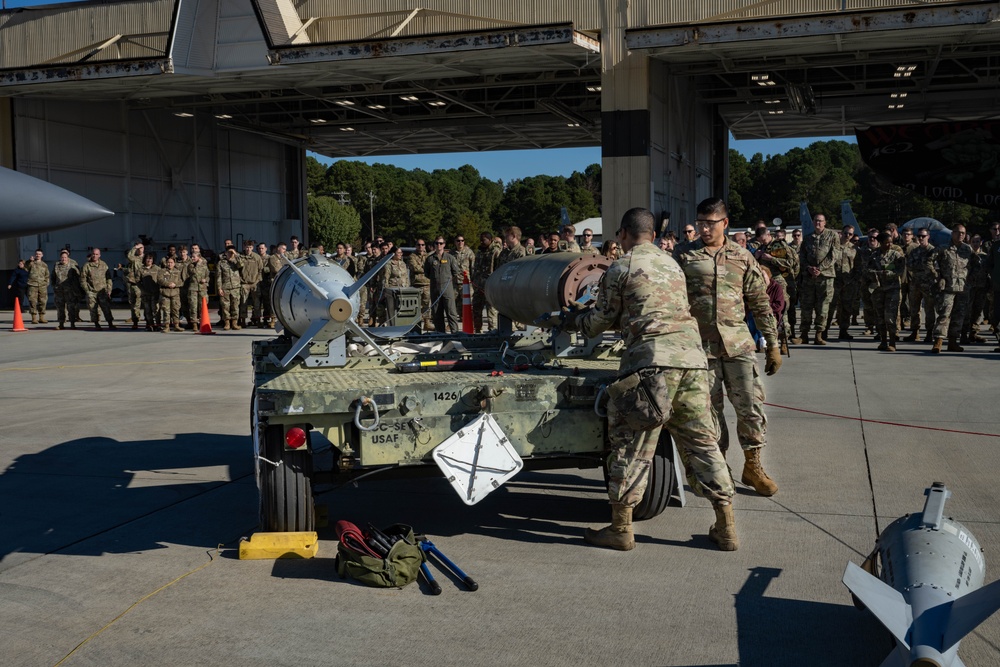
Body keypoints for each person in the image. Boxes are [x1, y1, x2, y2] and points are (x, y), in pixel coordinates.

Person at [569, 207, 737, 552]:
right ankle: (727, 525)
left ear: (624, 234)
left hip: (651, 366)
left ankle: (621, 528)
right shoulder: (672, 263)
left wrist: (574, 323)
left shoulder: (622, 265)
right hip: (692, 361)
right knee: (703, 443)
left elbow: (601, 319)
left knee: (632, 444)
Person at [674, 197, 782, 498]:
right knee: (708, 413)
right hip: (699, 348)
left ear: (725, 223)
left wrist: (772, 343)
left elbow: (760, 302)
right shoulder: (684, 255)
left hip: (737, 346)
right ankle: (719, 469)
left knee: (751, 408)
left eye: (710, 223)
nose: (704, 229)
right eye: (701, 223)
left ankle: (753, 466)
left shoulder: (742, 256)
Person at [929, 224, 975, 353]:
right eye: (958, 232)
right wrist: (937, 276)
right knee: (944, 315)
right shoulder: (943, 248)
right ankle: (938, 341)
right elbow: (928, 261)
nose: (961, 235)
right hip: (948, 288)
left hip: (963, 288)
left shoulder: (967, 249)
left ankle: (953, 342)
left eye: (963, 233)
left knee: (959, 316)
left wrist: (971, 278)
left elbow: (975, 265)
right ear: (952, 233)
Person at [794, 213, 838, 345]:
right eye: (816, 221)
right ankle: (804, 334)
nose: (818, 223)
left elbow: (834, 255)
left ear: (825, 222)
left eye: (820, 221)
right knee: (806, 306)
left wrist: (820, 269)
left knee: (823, 307)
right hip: (809, 278)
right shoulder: (808, 238)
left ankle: (819, 334)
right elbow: (802, 256)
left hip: (825, 277)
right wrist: (809, 268)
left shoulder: (832, 236)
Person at [867, 231, 905, 351]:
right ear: (880, 243)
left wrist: (887, 271)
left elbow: (900, 269)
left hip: (892, 289)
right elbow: (868, 269)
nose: (889, 245)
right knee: (880, 316)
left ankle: (892, 342)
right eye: (886, 243)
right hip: (878, 289)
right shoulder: (874, 255)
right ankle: (883, 341)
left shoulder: (895, 255)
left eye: (890, 242)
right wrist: (878, 273)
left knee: (890, 316)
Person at [904, 229, 937, 342]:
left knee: (929, 309)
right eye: (919, 236)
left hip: (928, 284)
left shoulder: (933, 251)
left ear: (928, 236)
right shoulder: (915, 251)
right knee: (914, 309)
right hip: (916, 283)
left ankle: (929, 333)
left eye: (923, 236)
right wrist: (923, 267)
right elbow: (909, 265)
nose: (921, 238)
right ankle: (915, 332)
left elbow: (935, 268)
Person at [828, 226, 860, 341]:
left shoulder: (855, 249)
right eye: (846, 233)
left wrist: (854, 280)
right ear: (841, 233)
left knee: (846, 308)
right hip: (834, 281)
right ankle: (824, 331)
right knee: (830, 307)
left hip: (848, 283)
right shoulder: (833, 247)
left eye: (850, 234)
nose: (847, 236)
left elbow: (858, 267)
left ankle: (843, 331)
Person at [425, 236, 461, 333]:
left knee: (451, 312)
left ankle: (455, 333)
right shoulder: (430, 259)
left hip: (447, 289)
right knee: (437, 313)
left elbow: (455, 272)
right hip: (435, 289)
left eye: (441, 243)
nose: (438, 245)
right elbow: (427, 273)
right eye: (436, 243)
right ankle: (440, 334)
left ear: (444, 245)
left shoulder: (450, 258)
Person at [471, 232, 502, 333]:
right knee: (476, 308)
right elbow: (475, 268)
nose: (481, 242)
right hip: (478, 286)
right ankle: (478, 329)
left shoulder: (496, 252)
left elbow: (499, 269)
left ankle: (492, 330)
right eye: (480, 240)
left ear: (490, 240)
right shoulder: (479, 252)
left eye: (484, 240)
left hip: (490, 286)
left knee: (491, 310)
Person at [80, 247, 115, 329]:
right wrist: (87, 290)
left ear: (99, 255)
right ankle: (96, 324)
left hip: (102, 291)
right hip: (92, 291)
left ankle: (110, 323)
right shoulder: (87, 266)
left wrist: (109, 289)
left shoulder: (103, 265)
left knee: (106, 308)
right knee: (93, 309)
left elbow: (109, 278)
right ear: (91, 255)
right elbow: (82, 280)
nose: (94, 256)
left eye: (96, 254)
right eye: (93, 254)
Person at [52, 249, 82, 329]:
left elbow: (77, 278)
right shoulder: (56, 266)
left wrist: (76, 290)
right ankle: (61, 324)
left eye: (65, 257)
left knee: (71, 308)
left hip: (69, 291)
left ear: (68, 258)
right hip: (59, 291)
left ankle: (72, 323)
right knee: (60, 308)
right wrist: (54, 286)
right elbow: (53, 277)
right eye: (62, 257)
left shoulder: (72, 266)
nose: (63, 259)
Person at [407, 239, 433, 332]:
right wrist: (426, 269)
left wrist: (425, 268)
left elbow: (432, 266)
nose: (421, 246)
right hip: (416, 284)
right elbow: (414, 267)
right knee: (416, 306)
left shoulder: (428, 256)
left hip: (427, 283)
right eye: (419, 245)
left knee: (426, 304)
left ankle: (426, 323)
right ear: (416, 246)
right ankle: (416, 325)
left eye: (422, 245)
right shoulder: (412, 256)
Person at [216, 245, 244, 330]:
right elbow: (218, 277)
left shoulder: (236, 261)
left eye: (231, 252)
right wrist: (219, 288)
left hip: (235, 287)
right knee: (225, 306)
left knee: (235, 306)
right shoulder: (221, 263)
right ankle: (227, 323)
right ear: (225, 253)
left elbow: (241, 265)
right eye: (229, 252)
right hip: (225, 287)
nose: (230, 254)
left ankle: (234, 323)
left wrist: (235, 255)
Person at [184, 246, 211, 329]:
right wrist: (199, 264)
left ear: (199, 257)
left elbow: (208, 275)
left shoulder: (204, 266)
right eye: (192, 257)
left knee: (202, 306)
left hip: (202, 289)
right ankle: (194, 323)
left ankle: (201, 322)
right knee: (193, 307)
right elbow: (194, 272)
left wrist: (205, 280)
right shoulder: (190, 265)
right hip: (193, 289)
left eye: (194, 257)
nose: (192, 258)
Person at [240, 240, 264, 327]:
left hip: (255, 283)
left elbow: (261, 270)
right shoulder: (241, 257)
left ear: (253, 248)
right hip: (244, 283)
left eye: (250, 247)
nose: (248, 249)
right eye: (247, 247)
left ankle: (257, 319)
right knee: (243, 302)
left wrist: (258, 280)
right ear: (244, 247)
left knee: (257, 303)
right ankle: (242, 320)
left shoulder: (257, 257)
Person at [157, 256, 184, 332]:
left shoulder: (178, 271)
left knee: (176, 310)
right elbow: (159, 280)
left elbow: (181, 281)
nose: (169, 264)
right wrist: (167, 284)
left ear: (174, 263)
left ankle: (176, 325)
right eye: (168, 262)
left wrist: (175, 284)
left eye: (171, 262)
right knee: (166, 310)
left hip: (175, 293)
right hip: (165, 293)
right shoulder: (161, 271)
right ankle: (166, 326)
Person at [122, 241, 144, 329]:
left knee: (141, 303)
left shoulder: (146, 258)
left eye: (140, 248)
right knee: (132, 302)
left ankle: (140, 319)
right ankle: (135, 319)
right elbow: (129, 257)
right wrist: (134, 248)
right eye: (137, 249)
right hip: (132, 283)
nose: (139, 250)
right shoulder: (134, 259)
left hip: (141, 283)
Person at [25, 248, 50, 324]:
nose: (38, 255)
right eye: (36, 254)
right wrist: (30, 261)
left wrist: (46, 283)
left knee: (42, 301)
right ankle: (34, 318)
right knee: (32, 301)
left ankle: (41, 317)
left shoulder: (44, 265)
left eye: (39, 254)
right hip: (32, 285)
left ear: (42, 255)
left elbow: (47, 275)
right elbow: (26, 267)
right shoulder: (31, 263)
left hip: (42, 286)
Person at [451, 234, 475, 306]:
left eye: (462, 240)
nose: (460, 242)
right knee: (457, 306)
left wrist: (472, 280)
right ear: (455, 242)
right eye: (458, 241)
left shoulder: (469, 252)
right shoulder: (451, 253)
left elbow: (473, 268)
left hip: (466, 283)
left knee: (467, 305)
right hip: (454, 284)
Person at [138, 253, 160, 330]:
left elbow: (160, 280)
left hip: (155, 293)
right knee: (147, 310)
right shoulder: (141, 269)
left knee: (156, 310)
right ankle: (150, 324)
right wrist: (143, 290)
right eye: (148, 258)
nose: (149, 260)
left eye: (151, 259)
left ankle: (158, 325)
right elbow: (137, 281)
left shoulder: (157, 269)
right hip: (146, 294)